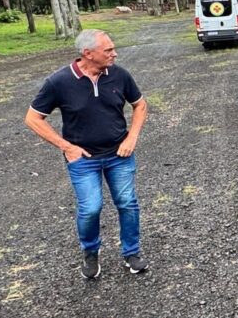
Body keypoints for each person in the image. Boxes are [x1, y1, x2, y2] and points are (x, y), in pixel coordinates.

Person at [24, 29, 149, 279]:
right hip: (83, 160)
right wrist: (66, 146)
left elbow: (140, 105)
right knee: (91, 208)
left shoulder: (119, 75)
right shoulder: (59, 82)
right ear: (87, 53)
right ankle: (90, 253)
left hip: (119, 155)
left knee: (127, 203)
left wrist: (132, 137)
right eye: (108, 50)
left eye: (113, 49)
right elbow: (33, 118)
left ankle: (131, 252)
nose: (115, 54)